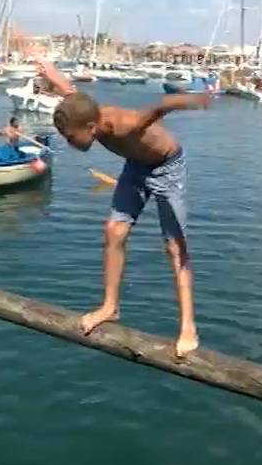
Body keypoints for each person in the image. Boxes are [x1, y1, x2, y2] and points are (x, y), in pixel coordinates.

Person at [40, 59, 208, 357]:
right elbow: (66, 88)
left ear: (91, 128)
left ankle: (188, 326)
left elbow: (159, 107)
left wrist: (196, 99)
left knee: (174, 246)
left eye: (70, 138)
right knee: (114, 231)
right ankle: (110, 306)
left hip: (167, 167)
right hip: (136, 166)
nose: (70, 143)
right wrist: (46, 68)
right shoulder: (80, 108)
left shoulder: (126, 125)